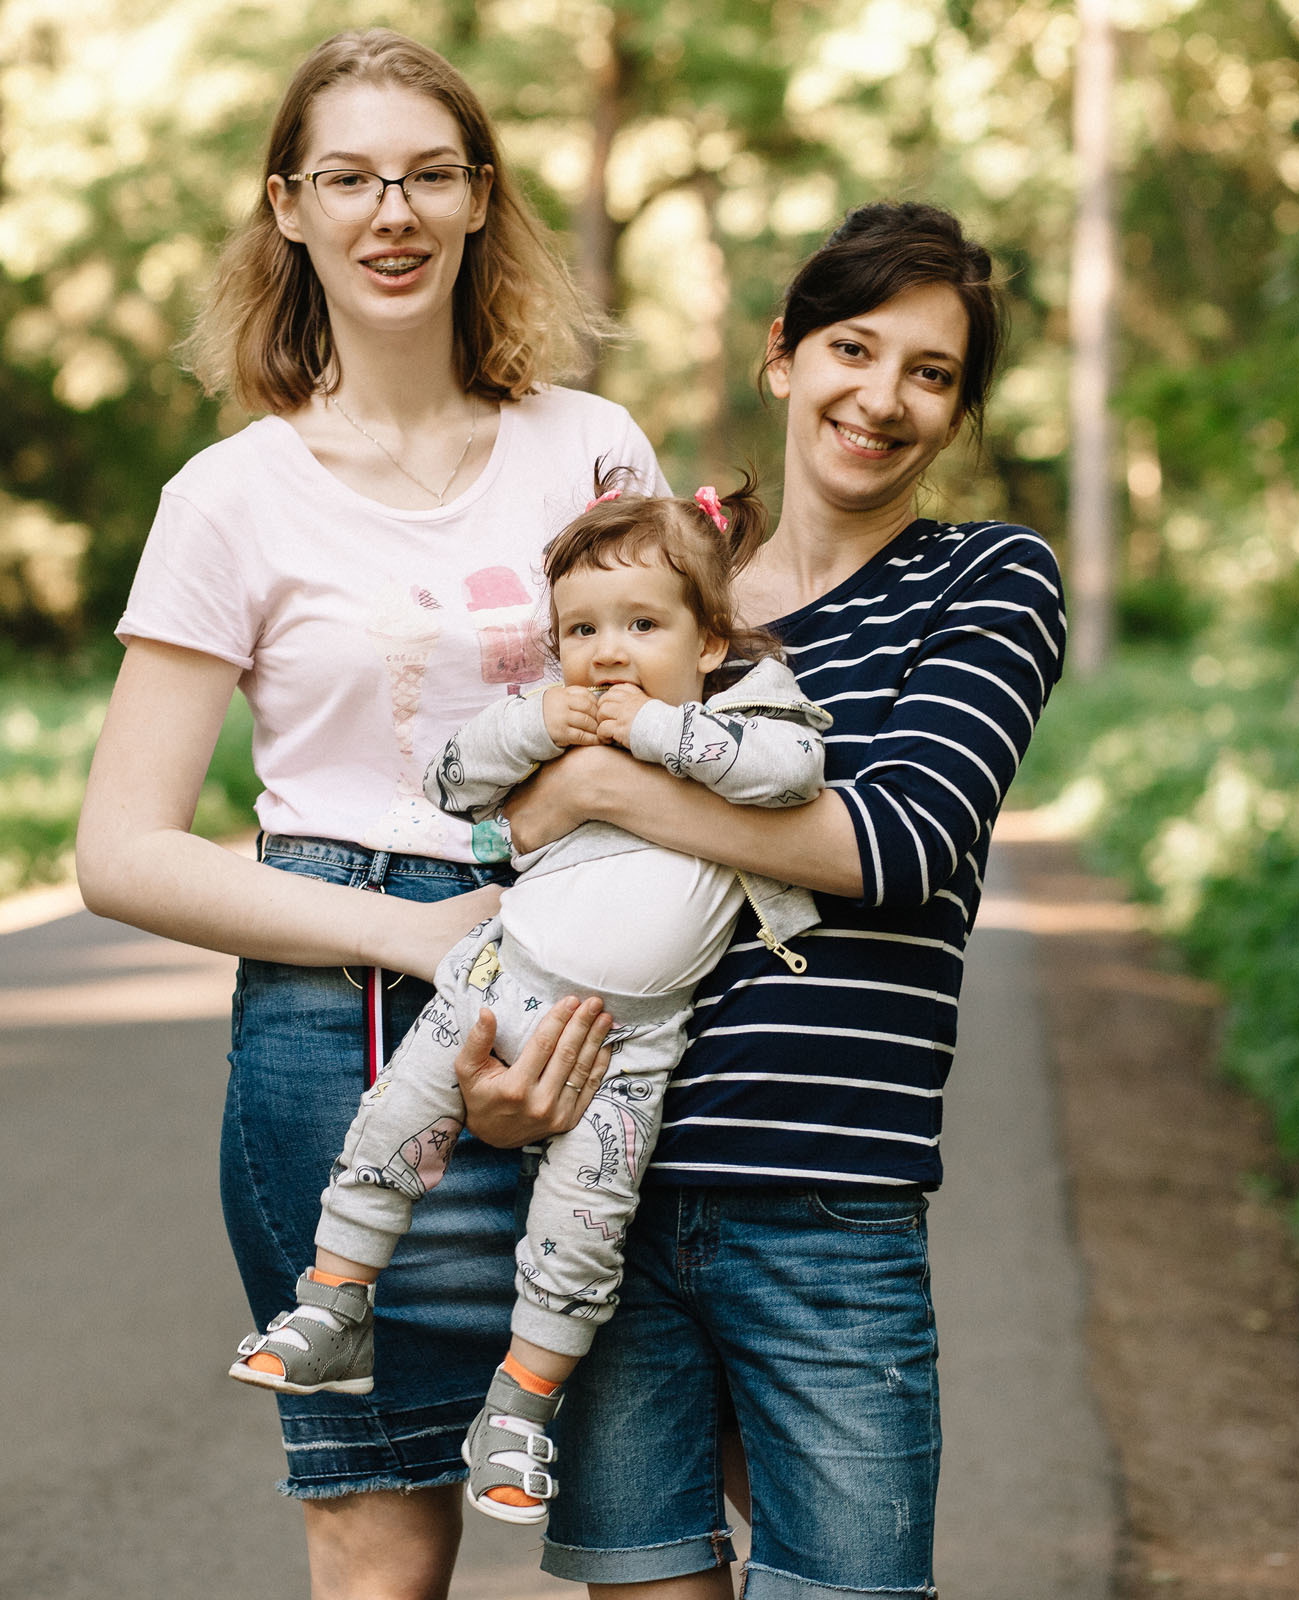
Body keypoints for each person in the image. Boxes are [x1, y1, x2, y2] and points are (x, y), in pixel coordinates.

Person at [74, 28, 666, 1600]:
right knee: (383, 1540)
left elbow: (684, 713)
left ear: (481, 198)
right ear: (289, 207)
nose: (388, 212)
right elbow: (121, 851)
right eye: (348, 177)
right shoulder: (230, 497)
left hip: (595, 991)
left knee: (656, 1529)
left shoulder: (592, 450)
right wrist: (413, 932)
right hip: (338, 1028)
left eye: (426, 173)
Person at [499, 201, 1070, 1599]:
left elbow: (901, 842)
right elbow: (521, 826)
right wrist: (503, 1080)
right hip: (608, 1190)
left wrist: (613, 789)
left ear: (957, 409)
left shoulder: (990, 579)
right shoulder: (671, 589)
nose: (881, 399)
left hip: (829, 1202)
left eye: (930, 373)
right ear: (782, 357)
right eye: (853, 349)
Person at [227, 478, 833, 1527]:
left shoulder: (742, 714)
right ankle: (335, 1300)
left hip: (628, 1045)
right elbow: (455, 781)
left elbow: (792, 773)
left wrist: (654, 732)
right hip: (493, 982)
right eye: (582, 631)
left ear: (708, 641)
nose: (609, 652)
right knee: (388, 1129)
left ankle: (521, 1403)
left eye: (643, 624)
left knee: (581, 1231)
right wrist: (535, 723)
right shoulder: (551, 726)